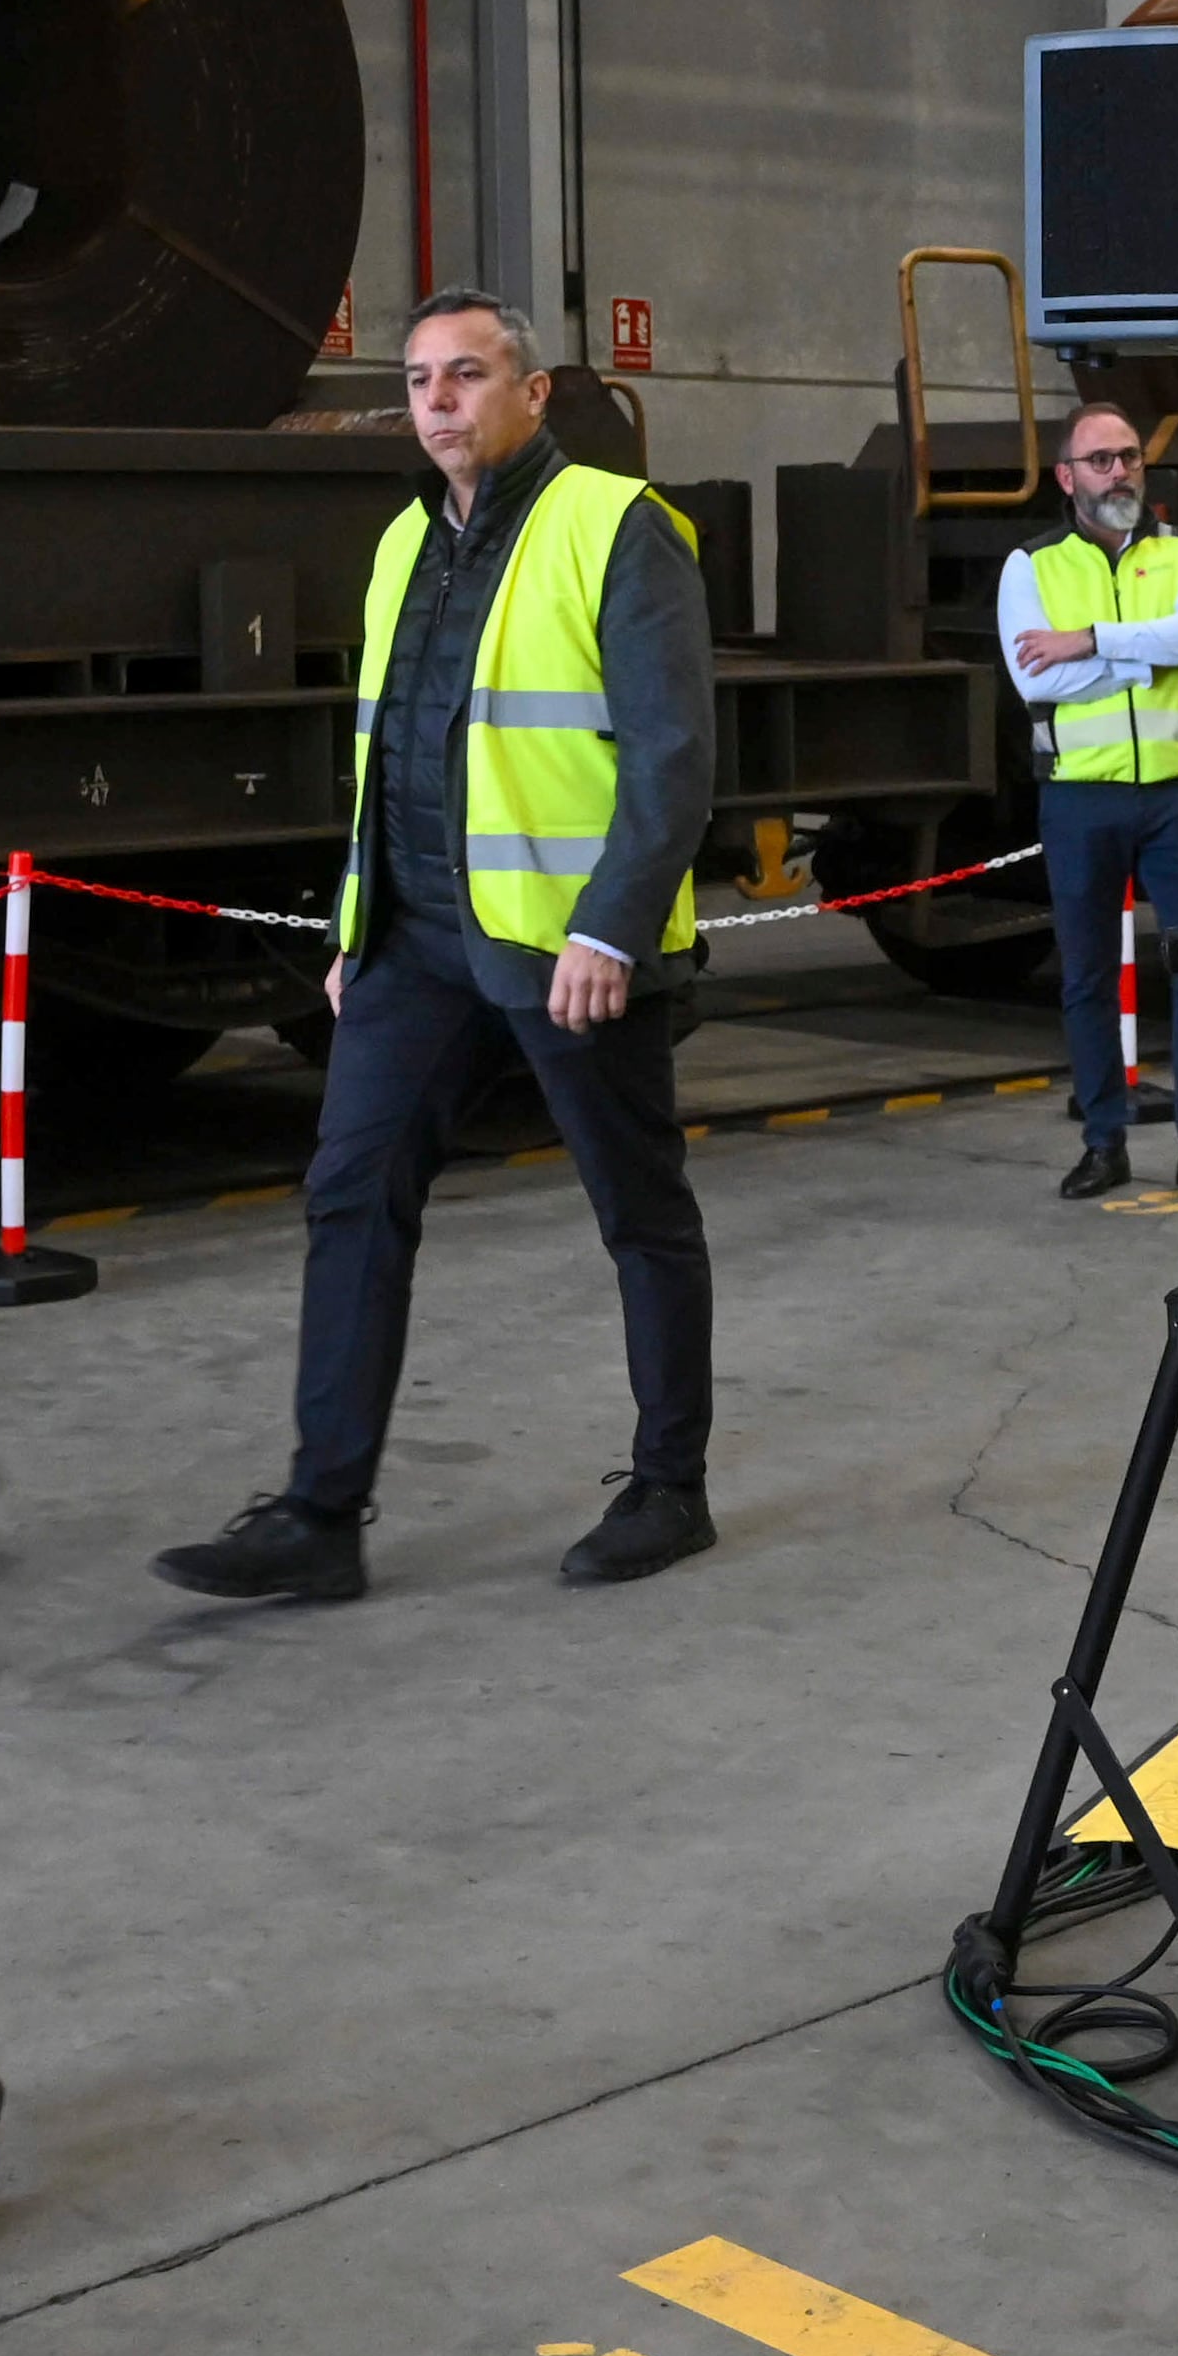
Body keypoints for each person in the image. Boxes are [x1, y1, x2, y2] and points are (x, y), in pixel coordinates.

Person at [151, 292, 724, 1605]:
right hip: (416, 941)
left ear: (533, 392)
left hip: (563, 946)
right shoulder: (404, 538)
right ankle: (319, 1511)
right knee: (351, 1191)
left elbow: (674, 754)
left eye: (468, 375)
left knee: (637, 1210)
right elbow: (391, 746)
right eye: (419, 381)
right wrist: (361, 924)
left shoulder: (617, 529)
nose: (440, 401)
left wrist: (609, 923)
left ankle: (670, 1484)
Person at [1004, 399, 1178, 1200]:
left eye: (1130, 456)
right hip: (1080, 799)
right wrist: (1142, 658)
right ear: (1067, 477)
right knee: (1088, 978)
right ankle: (1104, 1143)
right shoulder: (1030, 567)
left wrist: (1091, 641)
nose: (1120, 471)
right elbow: (1037, 677)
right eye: (1101, 460)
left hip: (1177, 794)